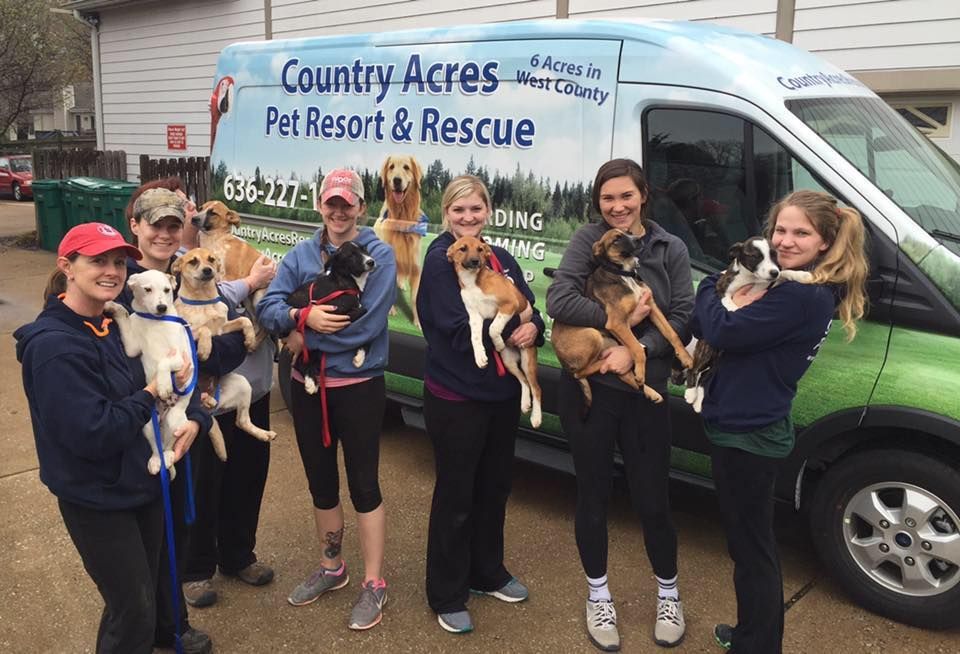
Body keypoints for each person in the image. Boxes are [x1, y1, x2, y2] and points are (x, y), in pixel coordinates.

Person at [15, 223, 211, 653]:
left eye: (119, 261)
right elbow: (94, 432)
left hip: (140, 485)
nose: (112, 271)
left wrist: (194, 414)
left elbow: (174, 374)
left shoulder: (110, 324)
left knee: (141, 598)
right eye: (98, 260)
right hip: (97, 497)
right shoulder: (56, 347)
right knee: (132, 609)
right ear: (67, 266)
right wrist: (149, 395)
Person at [692, 190, 867, 654]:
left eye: (801, 233)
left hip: (747, 432)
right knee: (749, 545)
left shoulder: (800, 297)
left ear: (826, 242)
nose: (786, 241)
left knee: (752, 550)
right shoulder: (801, 288)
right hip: (752, 421)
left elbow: (721, 328)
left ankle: (758, 645)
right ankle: (751, 634)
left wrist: (707, 288)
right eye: (780, 230)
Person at [546, 158, 694, 651]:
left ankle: (668, 593)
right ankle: (598, 596)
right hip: (591, 396)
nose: (617, 207)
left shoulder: (669, 247)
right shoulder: (587, 243)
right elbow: (559, 300)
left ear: (643, 195)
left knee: (653, 499)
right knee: (592, 496)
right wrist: (613, 327)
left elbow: (684, 314)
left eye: (626, 197)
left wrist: (641, 349)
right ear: (598, 203)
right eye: (608, 199)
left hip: (643, 393)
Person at [257, 168, 396, 630]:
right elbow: (269, 307)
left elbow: (368, 325)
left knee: (364, 485)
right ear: (320, 205)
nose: (339, 211)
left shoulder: (378, 255)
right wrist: (300, 317)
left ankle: (373, 583)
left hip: (358, 388)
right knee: (321, 483)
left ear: (360, 206)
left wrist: (303, 338)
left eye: (348, 203)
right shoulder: (300, 254)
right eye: (331, 202)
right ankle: (332, 567)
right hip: (307, 389)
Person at [121, 186, 249, 654]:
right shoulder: (121, 279)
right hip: (133, 425)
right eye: (155, 224)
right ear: (135, 225)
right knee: (140, 543)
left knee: (173, 525)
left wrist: (195, 411)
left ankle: (171, 622)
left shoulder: (183, 280)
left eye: (174, 225)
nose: (165, 234)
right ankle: (153, 625)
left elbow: (229, 344)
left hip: (178, 416)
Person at [415, 175, 545, 634]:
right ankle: (446, 591)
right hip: (457, 397)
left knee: (494, 487)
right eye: (458, 210)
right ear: (445, 213)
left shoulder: (499, 257)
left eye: (475, 209)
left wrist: (536, 327)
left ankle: (486, 572)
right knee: (457, 494)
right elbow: (453, 326)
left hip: (501, 395)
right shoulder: (439, 262)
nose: (467, 218)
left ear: (487, 211)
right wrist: (518, 324)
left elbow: (530, 308)